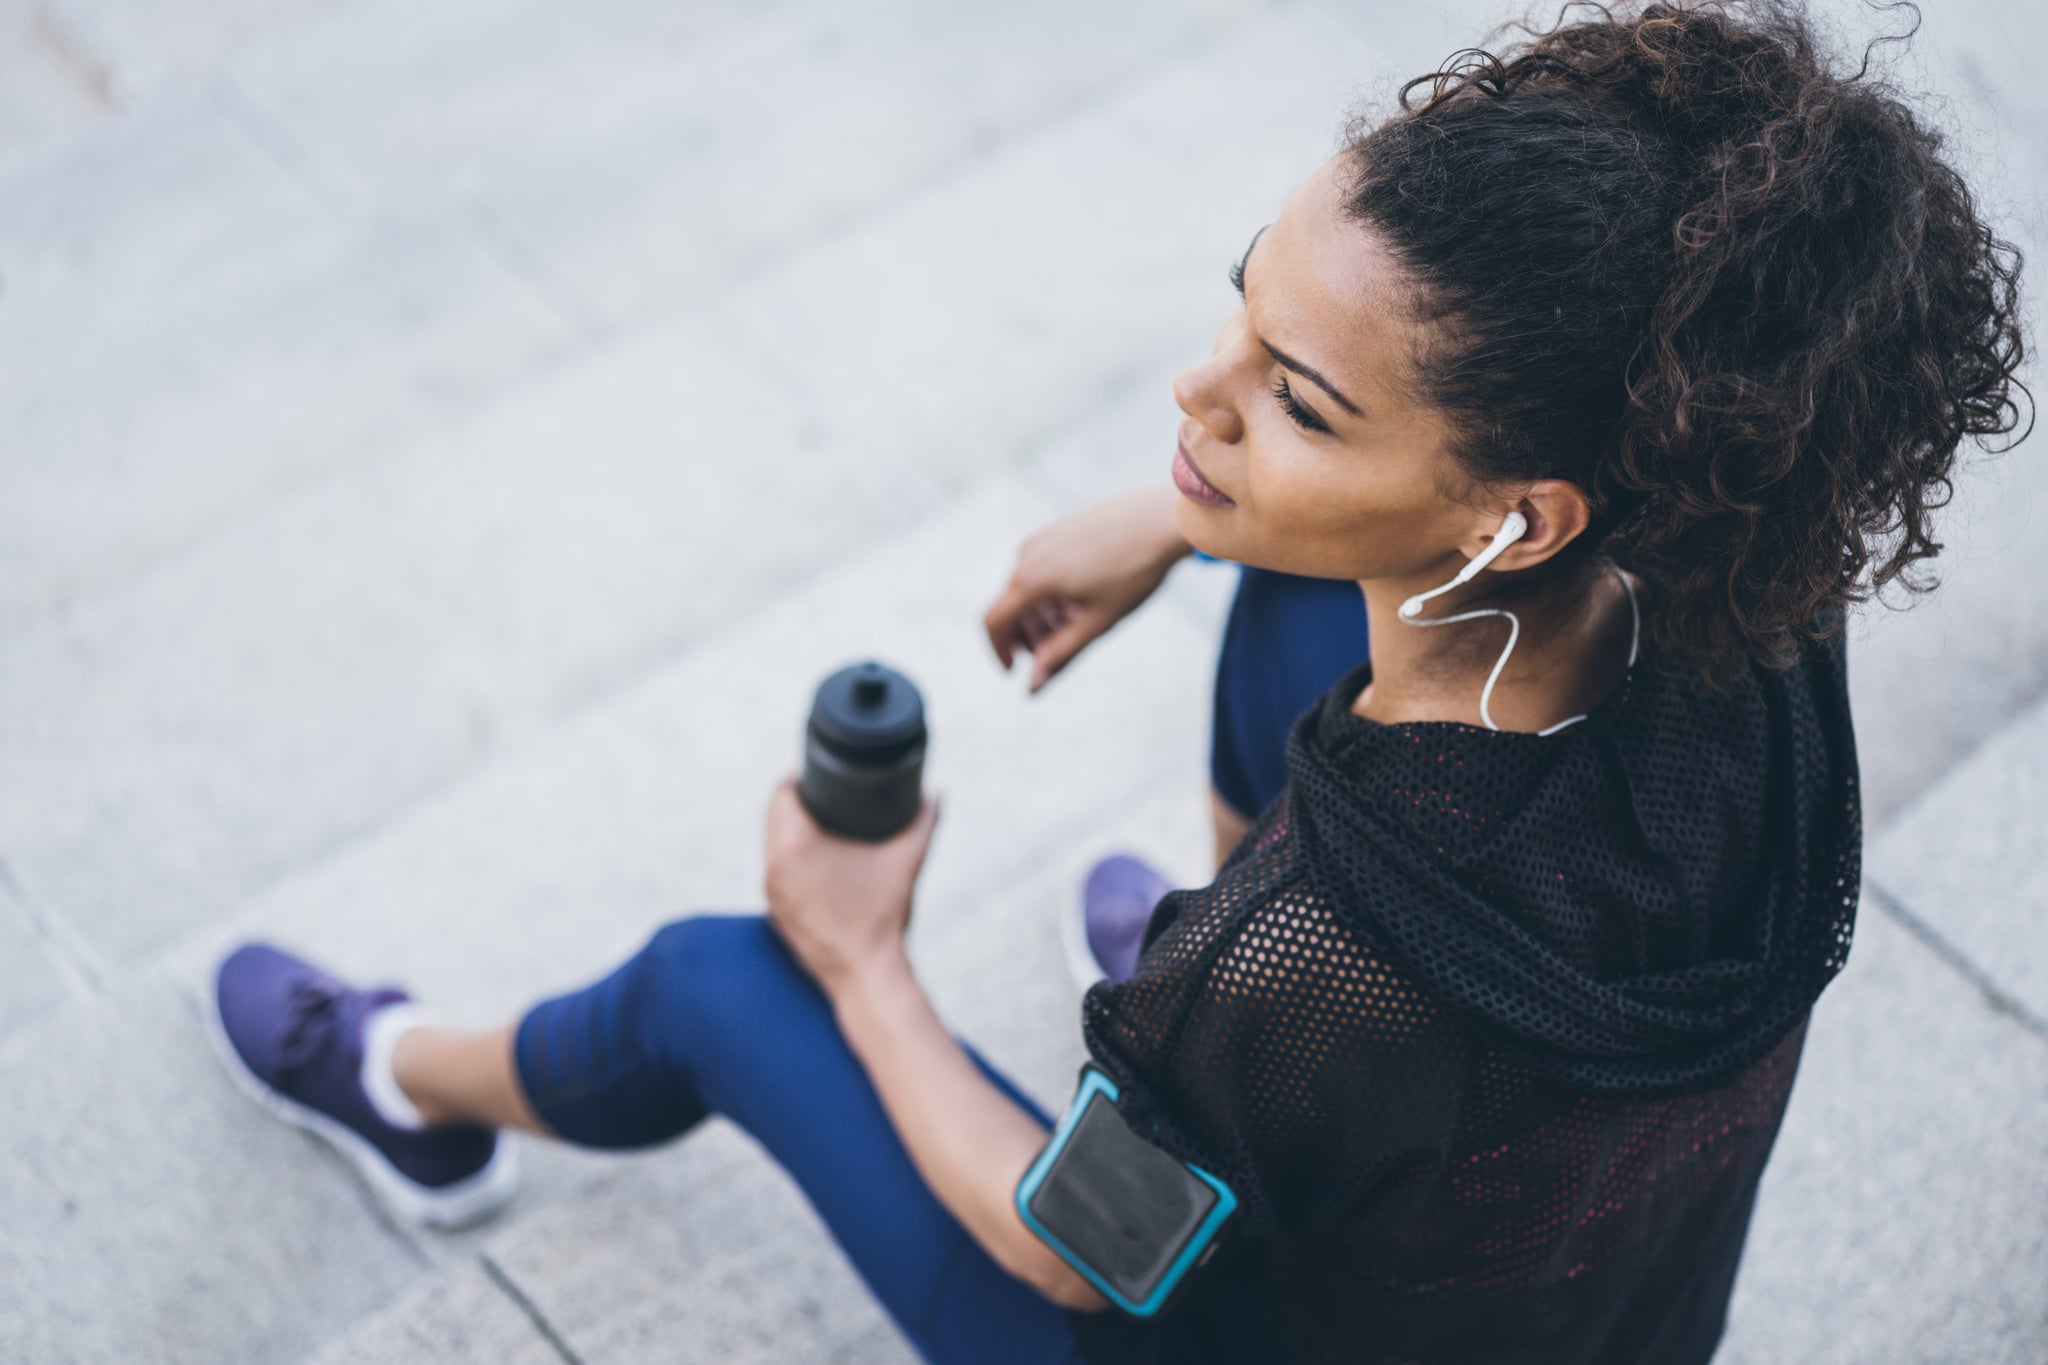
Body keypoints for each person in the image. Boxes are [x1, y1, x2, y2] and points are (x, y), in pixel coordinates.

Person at [208, 3, 2027, 1362]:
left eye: (1295, 403)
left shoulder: (1316, 952)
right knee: (1293, 624)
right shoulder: (1750, 596)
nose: (1194, 391)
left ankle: (404, 1090)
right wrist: (1187, 524)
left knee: (716, 977)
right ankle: (1218, 1085)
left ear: (1518, 511)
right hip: (1598, 1306)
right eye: (1243, 313)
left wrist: (864, 954)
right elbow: (1407, 565)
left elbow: (1074, 1250)